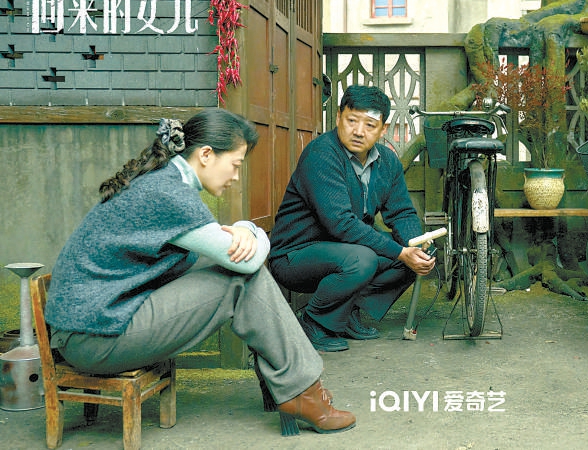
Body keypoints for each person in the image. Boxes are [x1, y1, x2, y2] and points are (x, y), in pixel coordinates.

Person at [44, 108, 355, 436]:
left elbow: (223, 254)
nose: (236, 177)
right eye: (235, 164)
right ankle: (300, 391)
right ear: (206, 155)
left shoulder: (164, 181)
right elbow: (248, 262)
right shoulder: (169, 194)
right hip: (94, 340)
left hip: (97, 324)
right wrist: (253, 231)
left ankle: (297, 389)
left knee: (230, 268)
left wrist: (243, 232)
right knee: (240, 278)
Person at [269, 85, 435, 352]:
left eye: (370, 125)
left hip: (345, 249)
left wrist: (415, 245)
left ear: (383, 129)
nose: (359, 131)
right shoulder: (322, 154)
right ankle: (313, 322)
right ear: (338, 118)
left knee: (413, 258)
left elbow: (401, 212)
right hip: (296, 255)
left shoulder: (387, 162)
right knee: (365, 258)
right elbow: (341, 223)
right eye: (352, 121)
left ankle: (344, 316)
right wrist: (399, 252)